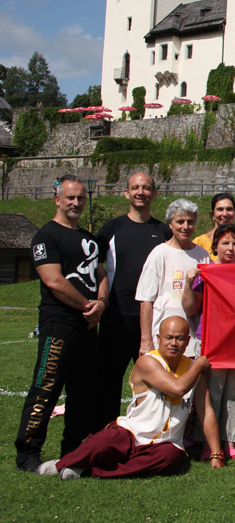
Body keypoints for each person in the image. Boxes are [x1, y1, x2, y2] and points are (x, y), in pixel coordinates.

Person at [14, 174, 110, 474]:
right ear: (57, 199)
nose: (76, 203)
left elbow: (102, 275)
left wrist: (102, 304)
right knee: (46, 389)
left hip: (88, 328)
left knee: (84, 393)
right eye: (70, 197)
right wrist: (87, 306)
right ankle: (28, 453)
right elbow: (53, 280)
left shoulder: (90, 239)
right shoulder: (46, 236)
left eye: (81, 197)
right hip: (59, 326)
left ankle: (73, 452)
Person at [39, 317, 210, 480]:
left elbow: (206, 410)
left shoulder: (190, 368)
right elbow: (177, 389)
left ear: (188, 341)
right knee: (104, 440)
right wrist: (198, 367)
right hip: (132, 432)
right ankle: (63, 464)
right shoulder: (148, 362)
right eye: (169, 338)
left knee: (170, 458)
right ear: (158, 338)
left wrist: (216, 453)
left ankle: (90, 471)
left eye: (179, 339)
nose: (173, 343)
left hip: (165, 443)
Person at [95, 172, 172, 427]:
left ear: (154, 193)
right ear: (126, 193)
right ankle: (105, 431)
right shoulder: (111, 228)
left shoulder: (163, 230)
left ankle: (148, 430)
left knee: (152, 381)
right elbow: (94, 266)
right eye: (135, 187)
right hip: (116, 317)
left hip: (153, 320)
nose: (141, 192)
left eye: (146, 187)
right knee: (108, 380)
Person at [183, 224, 235, 462]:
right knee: (211, 393)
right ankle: (207, 442)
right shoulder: (206, 273)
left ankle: (231, 441)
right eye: (225, 243)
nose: (230, 248)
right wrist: (189, 284)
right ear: (215, 247)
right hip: (211, 341)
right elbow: (190, 308)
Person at [136, 199, 210, 358]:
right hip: (164, 339)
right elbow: (146, 301)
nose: (185, 226)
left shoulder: (202, 255)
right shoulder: (159, 253)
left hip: (193, 338)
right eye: (180, 221)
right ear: (170, 223)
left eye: (190, 222)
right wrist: (146, 340)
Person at [192, 193, 235, 258]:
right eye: (220, 209)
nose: (225, 214)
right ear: (213, 215)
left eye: (229, 209)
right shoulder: (199, 243)